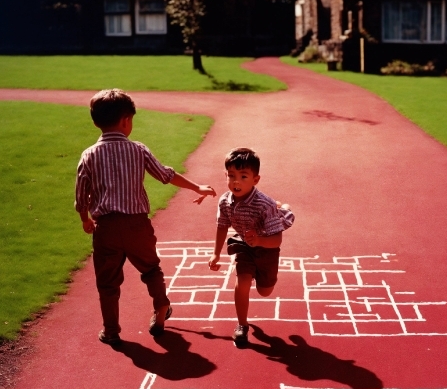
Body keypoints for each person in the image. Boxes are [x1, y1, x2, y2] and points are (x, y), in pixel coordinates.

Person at [75, 88, 216, 345]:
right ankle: (161, 306)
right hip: (137, 224)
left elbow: (80, 195)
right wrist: (197, 187)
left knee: (107, 283)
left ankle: (111, 331)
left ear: (96, 121)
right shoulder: (138, 150)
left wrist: (85, 218)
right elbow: (166, 175)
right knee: (151, 268)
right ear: (126, 120)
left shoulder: (89, 155)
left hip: (106, 227)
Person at [208, 147, 294, 346]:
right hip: (244, 243)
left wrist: (260, 241)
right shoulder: (224, 201)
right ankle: (242, 325)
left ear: (256, 179)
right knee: (243, 281)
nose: (236, 181)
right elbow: (222, 227)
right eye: (231, 176)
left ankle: (284, 209)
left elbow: (277, 240)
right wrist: (215, 254)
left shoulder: (264, 205)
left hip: (266, 245)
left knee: (265, 291)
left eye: (243, 176)